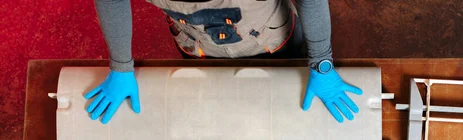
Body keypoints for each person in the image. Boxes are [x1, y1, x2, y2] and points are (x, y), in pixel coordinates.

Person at [86, 0, 363, 124]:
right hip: (197, 45)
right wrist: (121, 66)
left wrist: (320, 62)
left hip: (270, 40)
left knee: (283, 106)